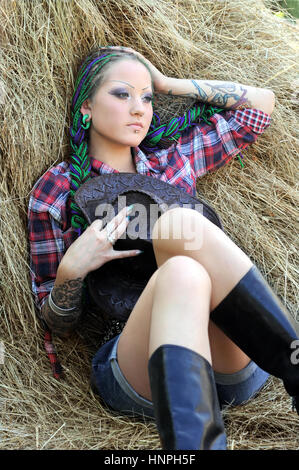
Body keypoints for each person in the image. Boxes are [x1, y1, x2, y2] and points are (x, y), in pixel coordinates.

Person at [28, 46, 299, 450]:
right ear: (85, 106)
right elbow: (57, 325)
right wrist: (71, 271)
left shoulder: (175, 162)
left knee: (179, 226)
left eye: (148, 97)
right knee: (182, 273)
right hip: (138, 368)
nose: (139, 108)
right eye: (122, 94)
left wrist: (171, 84)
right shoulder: (57, 191)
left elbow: (259, 105)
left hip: (229, 354)